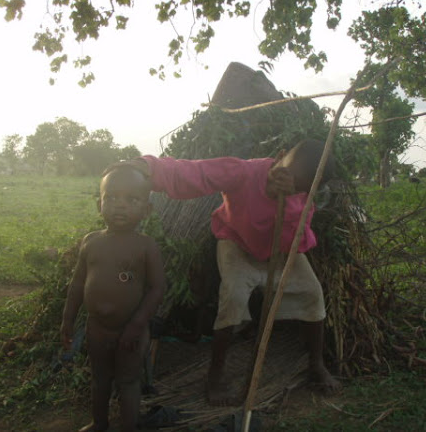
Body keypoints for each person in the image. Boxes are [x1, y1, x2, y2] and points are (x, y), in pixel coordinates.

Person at [131, 138, 341, 406]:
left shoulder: (303, 200)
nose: (290, 185)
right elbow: (196, 173)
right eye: (286, 174)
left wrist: (287, 203)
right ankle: (215, 376)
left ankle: (316, 363)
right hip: (237, 242)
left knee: (313, 294)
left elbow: (295, 242)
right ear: (279, 156)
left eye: (299, 187)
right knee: (233, 298)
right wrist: (147, 167)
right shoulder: (244, 172)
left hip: (280, 250)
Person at [60, 163, 166, 432]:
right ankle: (100, 423)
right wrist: (68, 320)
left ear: (147, 209)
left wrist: (137, 325)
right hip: (97, 329)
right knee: (100, 380)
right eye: (112, 198)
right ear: (100, 204)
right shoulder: (91, 242)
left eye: (132, 200)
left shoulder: (146, 247)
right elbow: (77, 283)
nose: (120, 206)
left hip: (131, 331)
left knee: (128, 382)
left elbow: (157, 289)